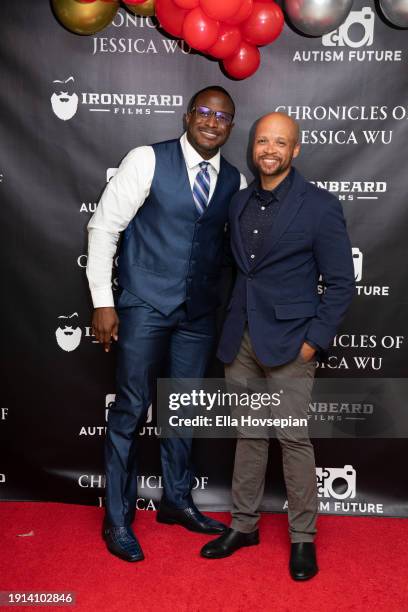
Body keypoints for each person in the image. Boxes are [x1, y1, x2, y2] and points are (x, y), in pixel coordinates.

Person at [86, 86, 246, 562]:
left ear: (230, 126)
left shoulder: (233, 180)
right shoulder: (146, 159)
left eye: (223, 116)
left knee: (183, 410)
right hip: (143, 304)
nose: (213, 121)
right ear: (188, 115)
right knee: (131, 409)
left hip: (197, 315)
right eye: (205, 112)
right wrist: (103, 300)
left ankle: (176, 501)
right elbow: (105, 226)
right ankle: (117, 519)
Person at [200, 112, 355, 580]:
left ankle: (303, 538)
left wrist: (313, 342)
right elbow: (237, 270)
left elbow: (342, 283)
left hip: (292, 343)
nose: (269, 150)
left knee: (292, 439)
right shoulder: (239, 200)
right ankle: (244, 526)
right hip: (241, 339)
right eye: (262, 141)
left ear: (296, 150)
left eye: (280, 143)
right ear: (253, 148)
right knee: (248, 437)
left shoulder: (319, 206)